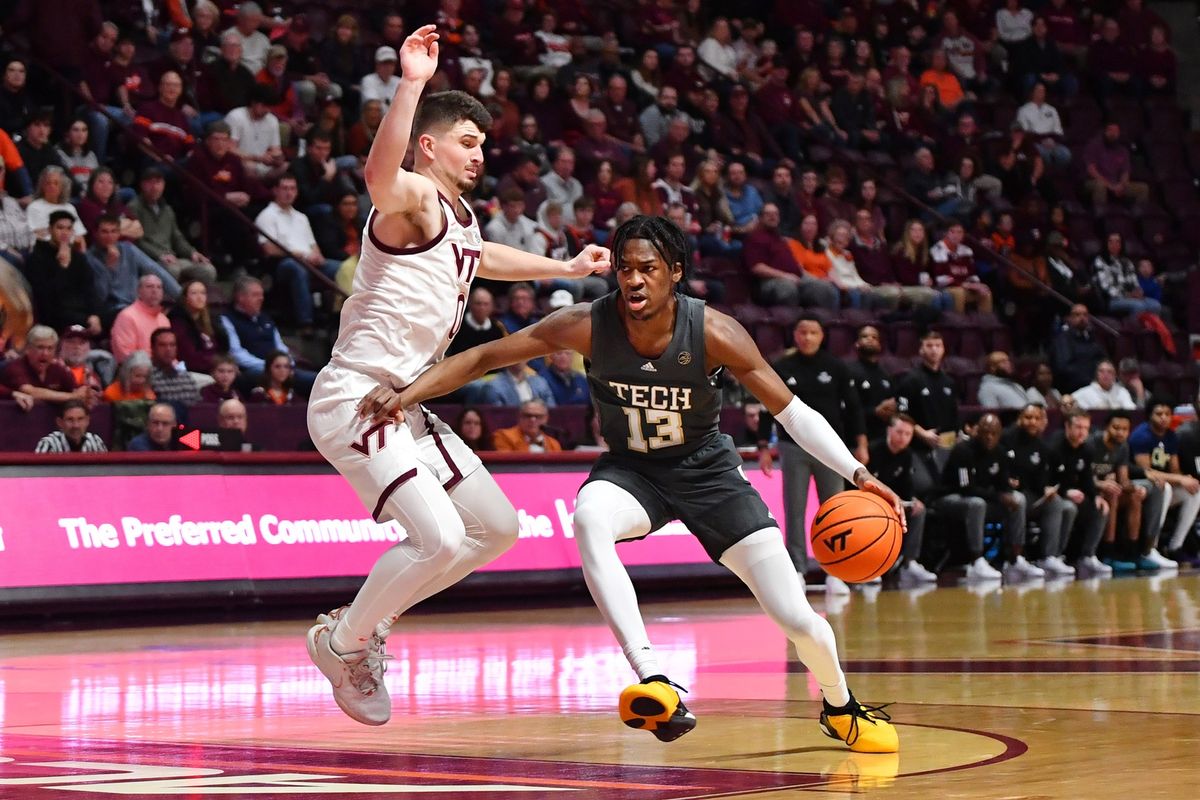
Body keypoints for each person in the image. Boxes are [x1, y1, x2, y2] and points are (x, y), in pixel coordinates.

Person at [372, 214, 903, 752]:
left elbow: (792, 414)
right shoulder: (586, 324)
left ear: (674, 272)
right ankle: (652, 676)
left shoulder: (714, 331)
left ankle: (839, 705)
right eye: (624, 269)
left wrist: (859, 475)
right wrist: (406, 394)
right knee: (589, 517)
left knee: (799, 621)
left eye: (647, 269)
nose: (633, 280)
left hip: (708, 473)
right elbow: (487, 356)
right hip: (633, 470)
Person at [302, 27, 612, 729]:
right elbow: (378, 177)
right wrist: (410, 83)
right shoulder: (409, 199)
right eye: (468, 142)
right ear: (429, 146)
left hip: (404, 406)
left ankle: (363, 625)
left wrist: (564, 269)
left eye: (482, 144)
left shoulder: (458, 220)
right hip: (358, 397)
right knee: (439, 539)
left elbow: (483, 256)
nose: (479, 154)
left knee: (498, 529)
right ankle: (343, 641)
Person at [759, 317, 866, 585]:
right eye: (803, 332)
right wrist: (763, 447)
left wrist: (860, 444)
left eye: (813, 332)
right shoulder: (782, 367)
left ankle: (835, 570)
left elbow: (853, 408)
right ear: (795, 335)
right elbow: (766, 407)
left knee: (834, 510)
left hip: (830, 448)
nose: (807, 337)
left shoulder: (836, 367)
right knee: (794, 509)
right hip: (792, 447)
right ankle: (797, 570)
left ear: (822, 336)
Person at [933, 413, 1044, 580]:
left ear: (1000, 434)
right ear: (977, 431)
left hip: (984, 498)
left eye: (994, 433)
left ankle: (1015, 559)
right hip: (950, 498)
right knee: (977, 504)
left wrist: (1008, 490)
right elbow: (966, 488)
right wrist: (999, 497)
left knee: (1018, 499)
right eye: (985, 432)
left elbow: (1002, 484)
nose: (989, 437)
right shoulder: (963, 451)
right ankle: (976, 561)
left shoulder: (1000, 452)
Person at [254, 174, 342, 329]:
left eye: (292, 189)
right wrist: (299, 255)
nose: (289, 193)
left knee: (342, 267)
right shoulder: (267, 216)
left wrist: (318, 256)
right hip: (283, 263)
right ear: (275, 191)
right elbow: (269, 249)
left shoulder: (301, 217)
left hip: (308, 259)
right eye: (284, 188)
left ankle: (337, 317)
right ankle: (305, 322)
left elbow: (313, 244)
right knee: (297, 269)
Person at [1003, 404, 1077, 577]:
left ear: (1043, 421)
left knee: (1058, 503)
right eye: (1028, 417)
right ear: (1020, 418)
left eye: (1037, 418)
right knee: (1018, 499)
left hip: (1031, 496)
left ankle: (1050, 556)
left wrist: (1047, 489)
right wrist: (1006, 480)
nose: (1032, 422)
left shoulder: (1042, 447)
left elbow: (1042, 478)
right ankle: (1015, 559)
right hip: (1006, 494)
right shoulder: (1006, 438)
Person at [868, 414, 937, 585]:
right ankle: (870, 566)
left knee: (918, 510)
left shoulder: (907, 455)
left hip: (893, 503)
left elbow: (906, 486)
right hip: (869, 503)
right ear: (889, 430)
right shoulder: (872, 450)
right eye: (899, 432)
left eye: (908, 434)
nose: (903, 438)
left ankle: (909, 563)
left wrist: (912, 499)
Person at [1130, 398, 1200, 565]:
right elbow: (1147, 472)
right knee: (1165, 489)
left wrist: (1185, 480)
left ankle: (1175, 546)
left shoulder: (1171, 436)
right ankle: (1150, 548)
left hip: (1163, 485)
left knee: (1195, 490)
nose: (1164, 418)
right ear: (1149, 416)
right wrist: (1179, 479)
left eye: (1167, 414)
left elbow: (1175, 470)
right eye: (1159, 414)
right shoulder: (1141, 436)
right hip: (1142, 487)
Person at [87, 214, 181, 329]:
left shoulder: (128, 249)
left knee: (179, 314)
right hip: (111, 309)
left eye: (113, 231)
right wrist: (109, 269)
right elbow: (101, 296)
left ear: (119, 233)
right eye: (104, 232)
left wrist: (182, 297)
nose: (109, 236)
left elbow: (157, 271)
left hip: (136, 305)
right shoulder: (89, 258)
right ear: (96, 234)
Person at [127, 166, 217, 285]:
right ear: (142, 185)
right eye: (150, 183)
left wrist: (192, 253)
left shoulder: (167, 209)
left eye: (158, 182)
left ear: (163, 185)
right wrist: (159, 255)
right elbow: (137, 241)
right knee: (172, 270)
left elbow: (177, 237)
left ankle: (189, 297)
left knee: (209, 270)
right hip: (150, 260)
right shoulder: (133, 207)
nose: (154, 187)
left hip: (172, 259)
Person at [1048, 410, 1110, 575]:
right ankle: (1056, 556)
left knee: (1101, 508)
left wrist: (1096, 496)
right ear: (1067, 427)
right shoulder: (1054, 447)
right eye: (1078, 427)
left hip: (1074, 494)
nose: (1082, 432)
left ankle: (1088, 555)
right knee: (1069, 508)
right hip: (1052, 495)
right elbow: (1046, 480)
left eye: (1086, 428)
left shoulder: (1087, 449)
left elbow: (1087, 479)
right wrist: (1066, 492)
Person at [1, 325, 88, 407]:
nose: (45, 353)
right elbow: (31, 392)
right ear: (28, 349)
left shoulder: (58, 369)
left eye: (50, 348)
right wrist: (73, 397)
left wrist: (84, 393)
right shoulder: (15, 367)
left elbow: (78, 392)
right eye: (40, 347)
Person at [847, 325, 897, 443]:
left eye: (874, 337)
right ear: (857, 343)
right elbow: (847, 410)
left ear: (879, 345)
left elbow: (894, 402)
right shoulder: (848, 371)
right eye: (865, 336)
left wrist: (892, 409)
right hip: (855, 439)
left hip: (882, 440)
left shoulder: (886, 374)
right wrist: (874, 412)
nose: (870, 339)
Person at [168, 279, 227, 375]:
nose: (200, 297)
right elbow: (189, 357)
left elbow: (220, 348)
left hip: (216, 368)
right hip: (194, 371)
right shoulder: (178, 322)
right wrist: (218, 363)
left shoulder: (210, 320)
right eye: (194, 293)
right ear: (185, 298)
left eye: (203, 293)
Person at [109, 274, 171, 364]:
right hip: (138, 372)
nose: (155, 291)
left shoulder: (164, 320)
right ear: (139, 291)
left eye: (159, 287)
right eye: (149, 287)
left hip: (165, 370)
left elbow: (171, 354)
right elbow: (125, 354)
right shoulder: (127, 316)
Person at [1049, 305, 1107, 394]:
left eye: (1085, 315)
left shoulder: (1093, 337)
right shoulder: (1063, 339)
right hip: (1074, 388)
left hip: (1096, 385)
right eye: (1077, 315)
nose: (1082, 318)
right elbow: (1063, 367)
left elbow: (1103, 359)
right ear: (1069, 318)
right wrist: (1091, 379)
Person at [34, 398, 108, 453]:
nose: (76, 425)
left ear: (87, 421)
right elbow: (38, 473)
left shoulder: (96, 442)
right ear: (60, 422)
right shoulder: (49, 444)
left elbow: (106, 471)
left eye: (80, 419)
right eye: (70, 419)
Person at [491, 399, 562, 452]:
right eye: (528, 415)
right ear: (519, 417)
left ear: (546, 419)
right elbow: (507, 466)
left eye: (538, 416)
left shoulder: (554, 444)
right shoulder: (504, 436)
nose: (533, 420)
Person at [481, 360, 557, 407]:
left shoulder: (540, 382)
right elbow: (498, 418)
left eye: (523, 354)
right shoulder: (494, 387)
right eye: (516, 355)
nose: (520, 359)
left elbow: (552, 412)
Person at [1072, 360, 1137, 411]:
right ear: (1097, 374)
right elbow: (1068, 400)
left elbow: (1131, 410)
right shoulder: (1085, 392)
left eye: (1109, 371)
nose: (1105, 374)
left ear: (1115, 376)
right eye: (1101, 371)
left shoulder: (1122, 391)